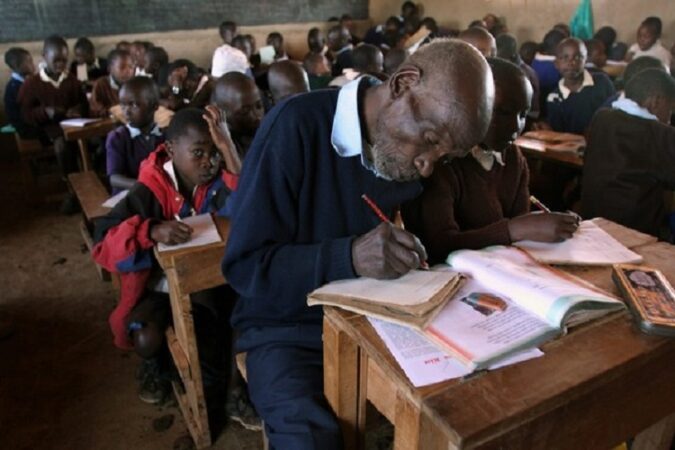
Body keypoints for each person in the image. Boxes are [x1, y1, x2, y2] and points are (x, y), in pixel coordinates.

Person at [222, 38, 494, 450]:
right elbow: (246, 267)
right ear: (403, 83)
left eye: (445, 155)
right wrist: (347, 255)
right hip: (288, 327)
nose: (427, 164)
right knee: (312, 440)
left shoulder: (409, 157)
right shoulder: (296, 126)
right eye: (430, 139)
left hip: (380, 321)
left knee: (476, 408)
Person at [92, 107, 240, 425]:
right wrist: (151, 230)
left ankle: (220, 399)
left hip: (212, 283)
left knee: (220, 330)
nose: (209, 162)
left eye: (216, 153)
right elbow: (103, 243)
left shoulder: (218, 180)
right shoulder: (150, 189)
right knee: (146, 336)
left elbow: (251, 202)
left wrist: (228, 147)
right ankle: (158, 367)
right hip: (160, 287)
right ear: (172, 150)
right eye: (199, 153)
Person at [402, 57, 578, 263]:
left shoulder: (512, 157)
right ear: (468, 105)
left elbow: (520, 226)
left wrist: (535, 227)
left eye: (523, 114)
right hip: (448, 279)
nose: (515, 126)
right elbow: (437, 246)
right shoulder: (440, 161)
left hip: (500, 271)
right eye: (502, 112)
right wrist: (512, 230)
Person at [581, 68, 675, 238]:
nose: (669, 119)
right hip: (636, 233)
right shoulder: (660, 135)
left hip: (593, 222)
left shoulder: (602, 118)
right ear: (656, 101)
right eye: (670, 110)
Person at [18, 35, 87, 210]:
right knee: (62, 146)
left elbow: (81, 102)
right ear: (44, 56)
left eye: (64, 61)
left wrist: (77, 109)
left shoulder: (71, 80)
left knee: (92, 141)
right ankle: (72, 189)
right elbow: (25, 114)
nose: (60, 65)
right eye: (56, 61)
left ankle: (88, 184)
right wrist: (45, 112)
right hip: (46, 130)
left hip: (72, 126)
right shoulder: (32, 83)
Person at [105, 77, 163, 193]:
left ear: (154, 106)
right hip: (128, 195)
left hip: (157, 195)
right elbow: (114, 178)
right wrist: (146, 186)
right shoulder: (118, 137)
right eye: (123, 105)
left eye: (134, 105)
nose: (126, 111)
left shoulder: (164, 136)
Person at [546, 38, 615, 134]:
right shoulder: (554, 98)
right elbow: (558, 134)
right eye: (565, 57)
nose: (571, 62)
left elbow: (615, 114)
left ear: (586, 60)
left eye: (578, 57)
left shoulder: (602, 82)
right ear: (556, 64)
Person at [210, 72, 264, 160]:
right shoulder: (222, 151)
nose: (256, 116)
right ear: (220, 112)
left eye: (259, 106)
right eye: (244, 111)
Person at [496, 33, 540, 120]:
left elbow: (521, 105)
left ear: (513, 55)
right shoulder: (508, 67)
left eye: (500, 57)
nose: (496, 59)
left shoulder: (522, 73)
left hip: (527, 116)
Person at [89, 49, 135, 118]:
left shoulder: (135, 85)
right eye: (122, 67)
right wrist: (111, 111)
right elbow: (95, 110)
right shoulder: (101, 84)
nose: (128, 71)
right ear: (110, 69)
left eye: (131, 67)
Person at [3, 47, 35, 136]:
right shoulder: (14, 87)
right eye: (29, 62)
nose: (33, 65)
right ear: (17, 66)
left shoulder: (25, 82)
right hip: (25, 128)